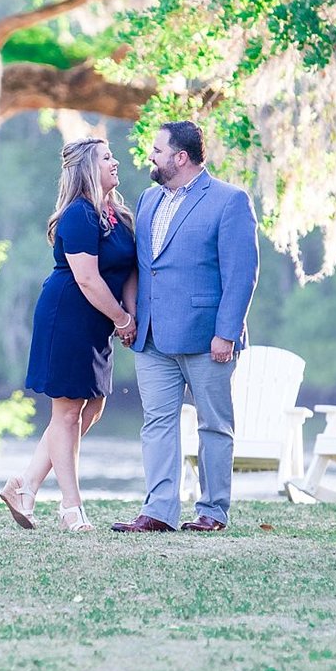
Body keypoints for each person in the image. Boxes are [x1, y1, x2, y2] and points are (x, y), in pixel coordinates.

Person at [114, 120, 259, 535]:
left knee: (213, 425)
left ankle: (212, 511)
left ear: (180, 157)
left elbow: (241, 274)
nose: (151, 158)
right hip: (152, 337)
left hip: (206, 336)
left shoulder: (229, 201)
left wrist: (226, 333)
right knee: (157, 423)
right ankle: (158, 511)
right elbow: (145, 267)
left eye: (157, 151)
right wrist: (131, 318)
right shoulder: (146, 199)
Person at [2, 134, 137, 533]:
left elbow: (127, 270)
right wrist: (123, 320)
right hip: (69, 316)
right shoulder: (79, 214)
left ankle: (25, 485)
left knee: (90, 409)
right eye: (107, 158)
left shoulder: (117, 213)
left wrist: (126, 316)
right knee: (66, 412)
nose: (116, 162)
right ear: (88, 169)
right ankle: (70, 508)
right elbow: (88, 280)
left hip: (99, 322)